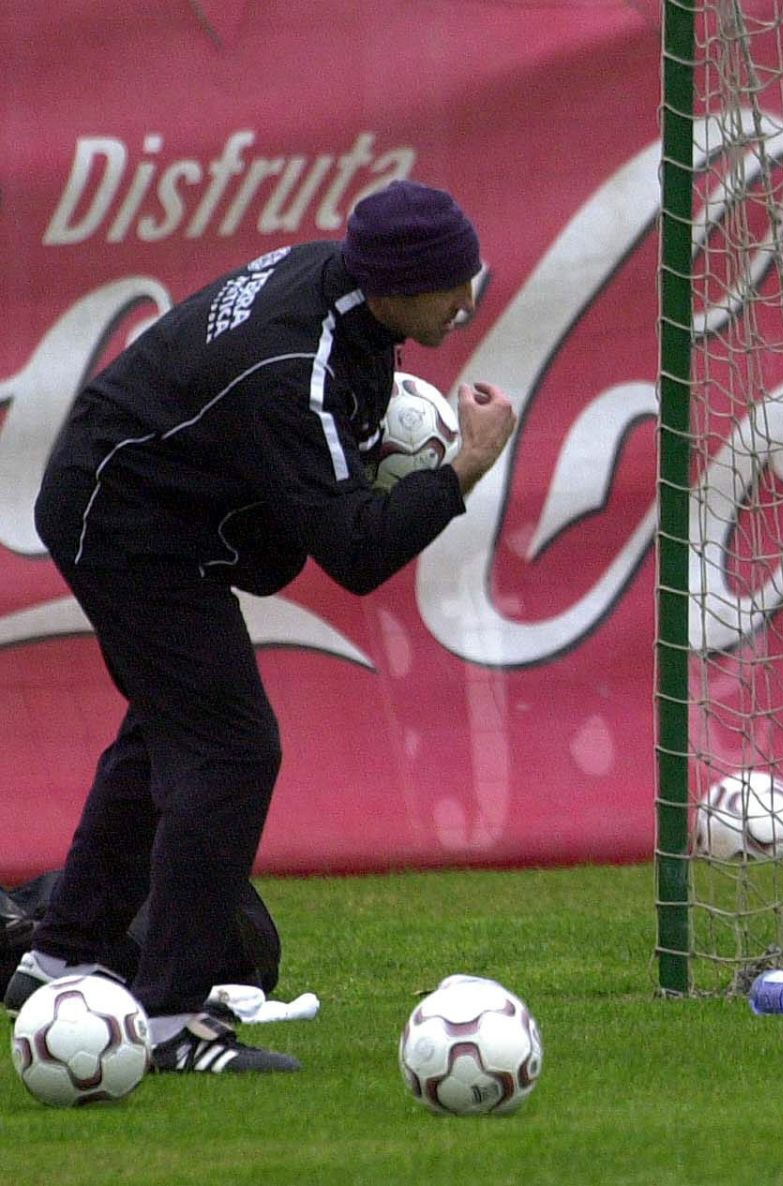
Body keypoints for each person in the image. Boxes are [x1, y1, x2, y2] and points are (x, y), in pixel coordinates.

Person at [4, 180, 518, 1072]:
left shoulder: (346, 297)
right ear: (396, 286)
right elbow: (355, 553)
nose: (470, 299)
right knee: (234, 748)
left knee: (174, 729)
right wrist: (462, 468)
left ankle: (59, 956)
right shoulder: (293, 369)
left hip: (149, 512)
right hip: (123, 524)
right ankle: (166, 1024)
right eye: (453, 284)